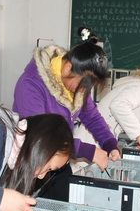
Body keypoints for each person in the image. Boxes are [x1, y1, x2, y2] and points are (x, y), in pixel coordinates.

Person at [13, 27, 120, 172]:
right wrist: (88, 150)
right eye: (83, 85)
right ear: (68, 67)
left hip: (61, 158)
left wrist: (109, 144)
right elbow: (39, 134)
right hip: (35, 162)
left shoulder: (75, 86)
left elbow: (92, 117)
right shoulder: (31, 85)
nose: (83, 91)